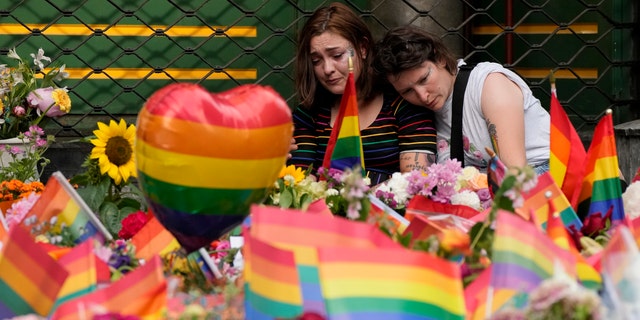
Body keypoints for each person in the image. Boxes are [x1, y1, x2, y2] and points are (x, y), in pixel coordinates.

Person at [288, 3, 438, 185]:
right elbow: (303, 183)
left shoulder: (401, 102)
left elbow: (415, 181)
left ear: (363, 48)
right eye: (316, 60)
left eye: (336, 55)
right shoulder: (309, 114)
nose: (327, 69)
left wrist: (359, 200)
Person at [374, 25, 550, 174]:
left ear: (441, 59)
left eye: (424, 79)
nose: (422, 95)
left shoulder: (488, 84)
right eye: (407, 91)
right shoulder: (420, 113)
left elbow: (515, 172)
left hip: (542, 178)